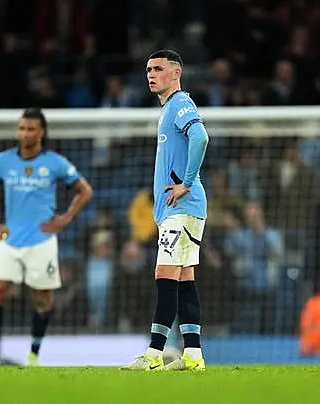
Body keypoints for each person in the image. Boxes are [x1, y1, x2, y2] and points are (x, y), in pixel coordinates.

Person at [0, 108, 93, 366]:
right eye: (22, 128)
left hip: (41, 240)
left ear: (42, 132)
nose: (25, 133)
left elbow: (84, 190)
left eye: (31, 128)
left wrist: (65, 218)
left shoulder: (55, 163)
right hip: (9, 240)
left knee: (42, 297)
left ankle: (33, 354)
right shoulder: (2, 161)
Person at [122, 50, 209, 371]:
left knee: (165, 274)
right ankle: (194, 355)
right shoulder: (168, 108)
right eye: (148, 69)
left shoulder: (180, 103)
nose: (151, 74)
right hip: (178, 209)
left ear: (176, 73)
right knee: (185, 278)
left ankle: (154, 354)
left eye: (158, 69)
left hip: (183, 205)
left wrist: (186, 182)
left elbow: (200, 136)